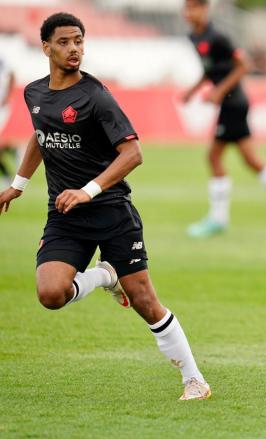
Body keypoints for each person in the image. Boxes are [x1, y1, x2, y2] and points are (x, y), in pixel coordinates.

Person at [0, 13, 211, 400]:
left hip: (112, 212)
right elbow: (40, 135)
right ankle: (104, 277)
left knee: (145, 302)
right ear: (46, 47)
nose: (74, 48)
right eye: (64, 42)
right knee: (50, 294)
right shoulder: (34, 93)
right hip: (64, 216)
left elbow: (133, 152)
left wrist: (88, 190)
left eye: (78, 40)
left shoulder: (95, 96)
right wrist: (17, 185)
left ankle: (194, 380)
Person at [182, 0, 266, 237]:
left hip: (233, 103)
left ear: (204, 9)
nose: (189, 12)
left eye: (194, 8)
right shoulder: (194, 37)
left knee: (214, 156)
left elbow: (243, 66)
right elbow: (212, 70)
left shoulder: (218, 36)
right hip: (229, 104)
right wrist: (193, 90)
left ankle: (219, 219)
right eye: (186, 8)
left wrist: (219, 91)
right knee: (250, 159)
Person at [0, 55, 16, 187]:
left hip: (1, 107)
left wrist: (7, 96)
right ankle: (13, 150)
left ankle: (6, 174)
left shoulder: (2, 59)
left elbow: (11, 74)